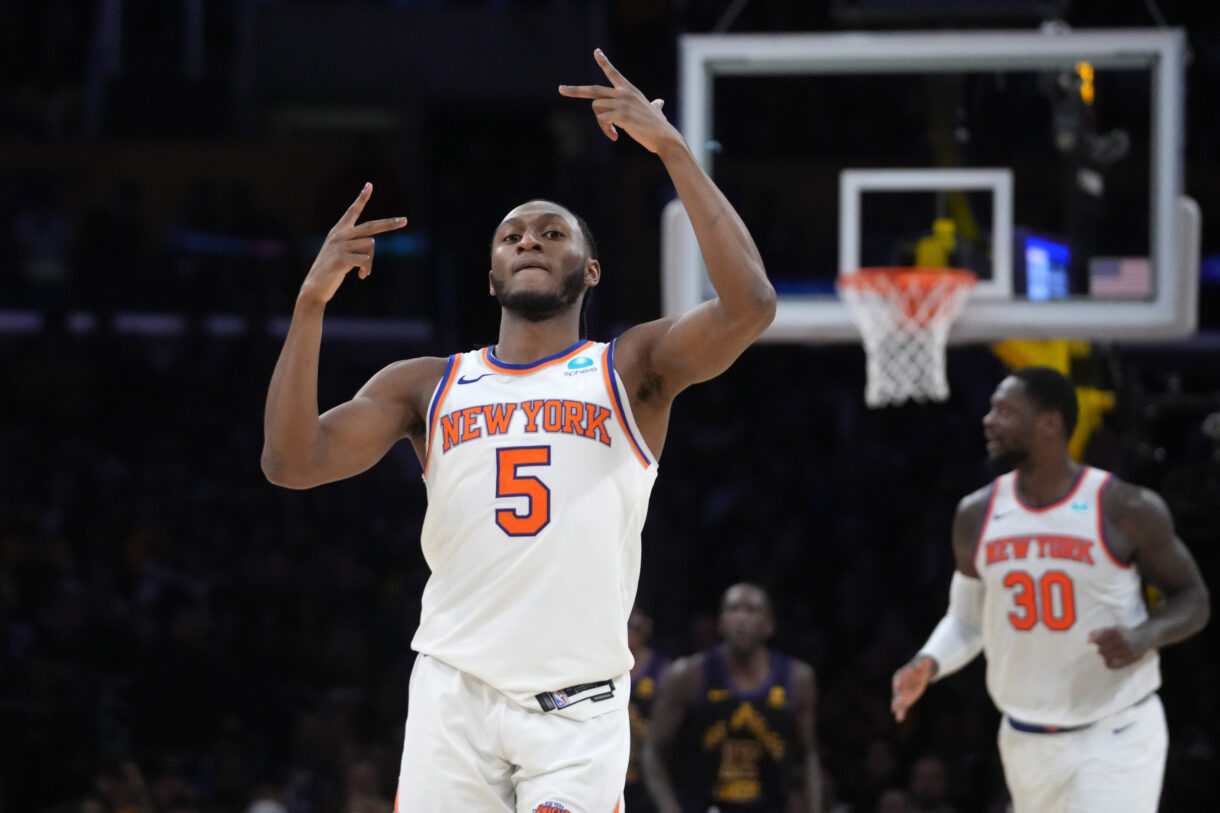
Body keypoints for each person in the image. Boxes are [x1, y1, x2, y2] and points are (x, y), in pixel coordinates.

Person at [261, 49, 776, 813]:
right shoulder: (427, 384)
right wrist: (310, 305)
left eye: (552, 232)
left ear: (590, 270)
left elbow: (751, 307)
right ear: (492, 276)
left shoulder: (628, 368)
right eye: (512, 236)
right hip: (454, 694)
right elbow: (291, 461)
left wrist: (672, 149)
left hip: (576, 706)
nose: (529, 240)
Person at [890, 366, 1210, 813]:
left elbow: (1193, 598)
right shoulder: (976, 514)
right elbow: (967, 620)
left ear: (1050, 423)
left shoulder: (1122, 507)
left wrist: (1145, 636)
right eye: (991, 410)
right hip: (1026, 738)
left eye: (1005, 411)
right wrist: (929, 662)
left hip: (1115, 731)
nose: (989, 420)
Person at [643, 583, 824, 813]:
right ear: (721, 622)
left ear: (770, 625)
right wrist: (670, 809)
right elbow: (654, 750)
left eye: (751, 610)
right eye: (733, 609)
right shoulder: (688, 675)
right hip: (704, 805)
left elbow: (807, 754)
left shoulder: (798, 679)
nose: (741, 618)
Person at [626, 604, 671, 813]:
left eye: (635, 627)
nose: (629, 633)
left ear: (648, 627)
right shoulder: (600, 666)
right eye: (625, 626)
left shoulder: (663, 672)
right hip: (605, 767)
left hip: (645, 777)